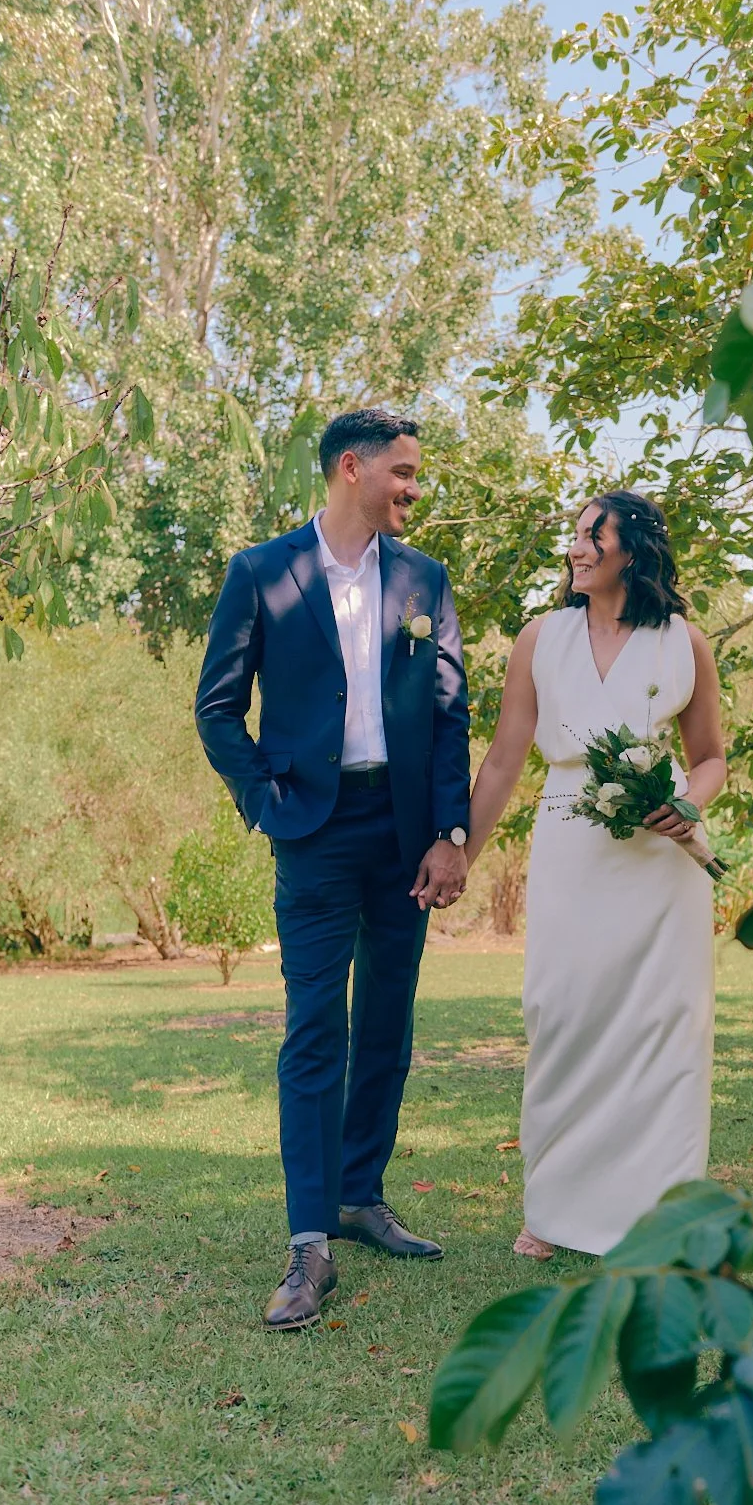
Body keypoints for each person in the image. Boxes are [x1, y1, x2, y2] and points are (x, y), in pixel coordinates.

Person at [195, 408, 470, 1329]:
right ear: (352, 468)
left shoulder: (425, 580)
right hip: (311, 828)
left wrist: (452, 833)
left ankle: (361, 1196)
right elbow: (218, 708)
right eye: (404, 472)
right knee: (316, 1028)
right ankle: (309, 1242)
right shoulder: (262, 572)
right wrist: (264, 799)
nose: (414, 488)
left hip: (405, 833)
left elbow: (450, 716)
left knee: (388, 1021)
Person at [465, 491, 725, 1259]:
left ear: (631, 551)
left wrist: (688, 802)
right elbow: (504, 759)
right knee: (563, 1016)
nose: (576, 548)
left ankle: (661, 1218)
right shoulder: (540, 638)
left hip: (660, 861)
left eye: (592, 536)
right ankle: (552, 1211)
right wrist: (461, 855)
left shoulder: (684, 642)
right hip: (571, 848)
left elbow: (711, 758)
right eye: (576, 535)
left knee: (662, 1033)